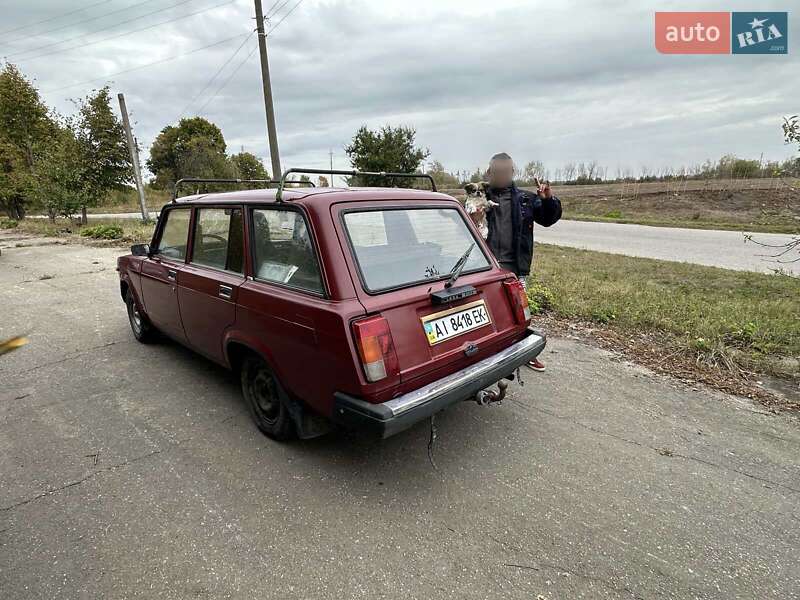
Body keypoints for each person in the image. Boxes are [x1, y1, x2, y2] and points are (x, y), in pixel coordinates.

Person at [482, 152, 562, 371]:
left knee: (519, 311)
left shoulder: (526, 199)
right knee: (486, 311)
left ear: (512, 172)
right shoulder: (479, 197)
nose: (501, 175)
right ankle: (489, 352)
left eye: (506, 171)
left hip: (515, 267)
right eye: (497, 172)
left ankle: (523, 351)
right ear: (489, 173)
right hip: (484, 269)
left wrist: (548, 201)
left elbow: (547, 219)